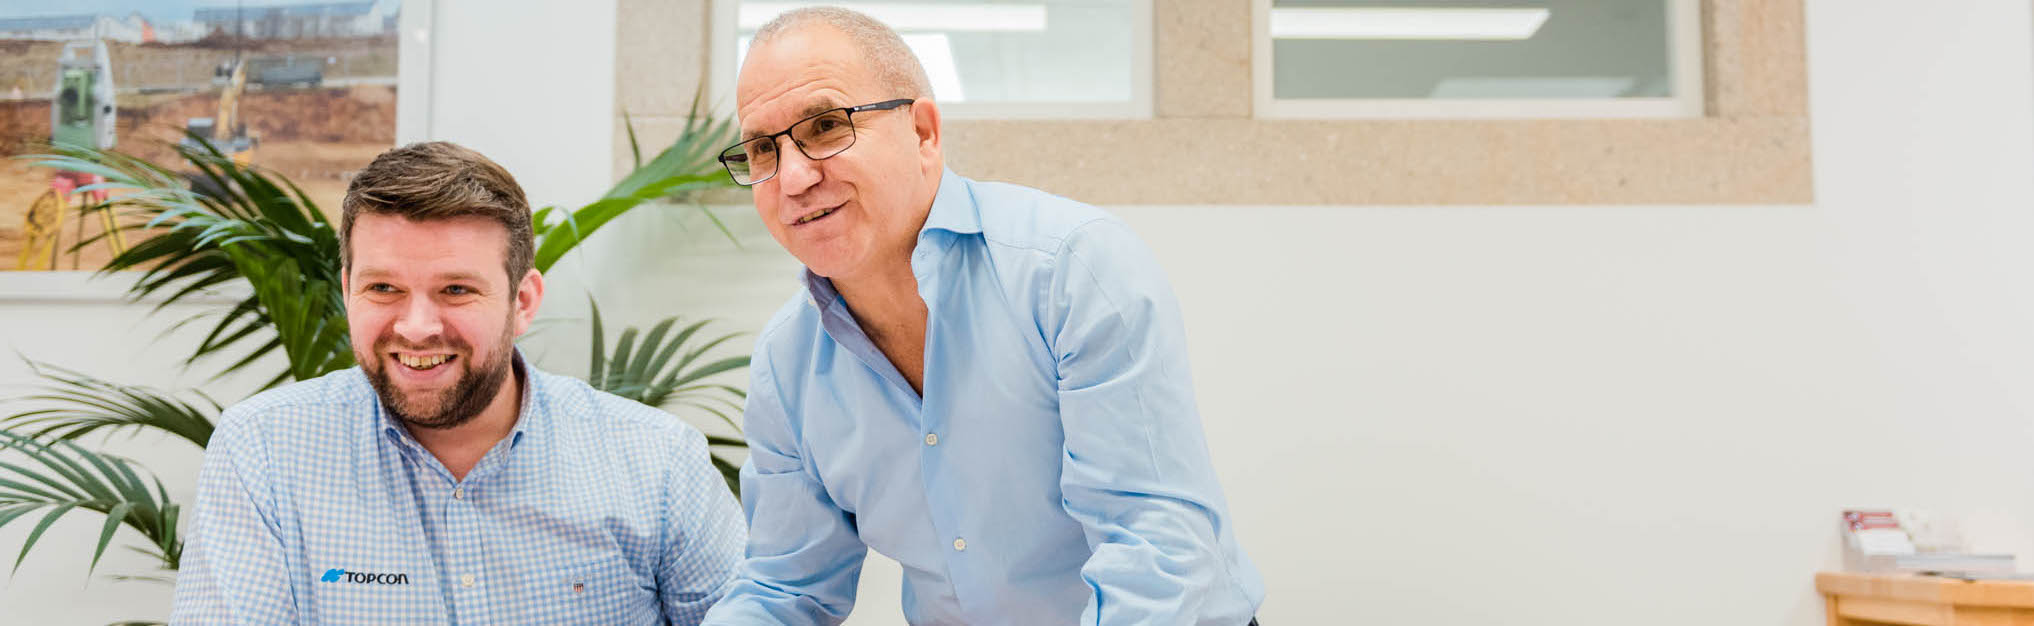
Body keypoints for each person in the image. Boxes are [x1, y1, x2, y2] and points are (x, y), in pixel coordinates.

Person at [702, 8, 1263, 625]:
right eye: (762, 149)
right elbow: (784, 589)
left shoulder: (1070, 271)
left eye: (827, 126)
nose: (794, 178)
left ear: (923, 132)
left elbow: (1155, 551)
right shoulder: (786, 362)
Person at [170, 142, 745, 624]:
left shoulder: (658, 461)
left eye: (456, 290)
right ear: (347, 291)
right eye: (383, 289)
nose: (416, 327)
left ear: (523, 302)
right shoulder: (263, 450)